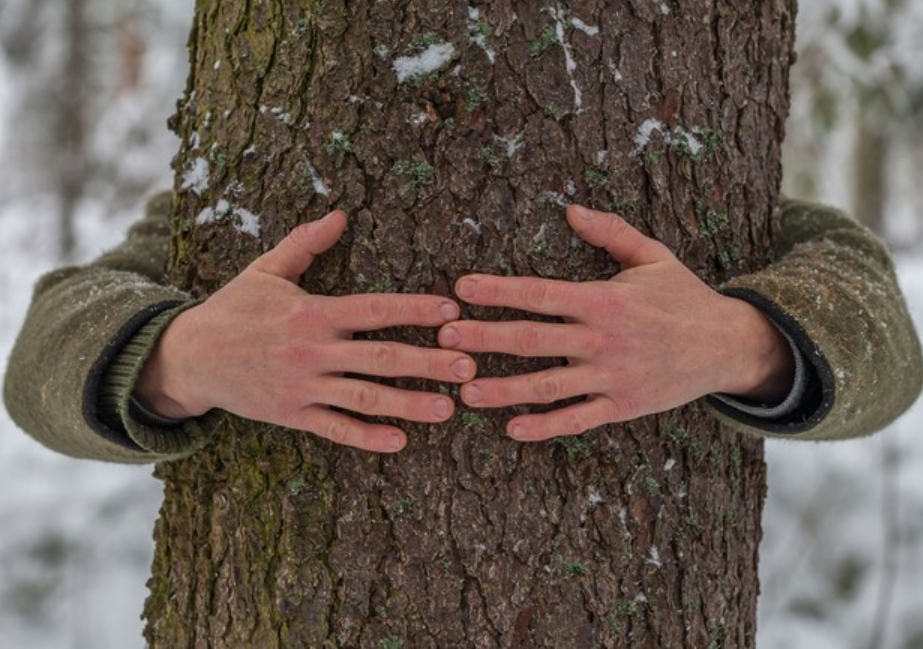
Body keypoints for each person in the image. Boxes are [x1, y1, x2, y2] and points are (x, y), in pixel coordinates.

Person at [3, 192, 921, 463]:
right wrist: (179, 357)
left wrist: (739, 343)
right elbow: (40, 357)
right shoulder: (232, 194)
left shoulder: (719, 190)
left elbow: (884, 341)